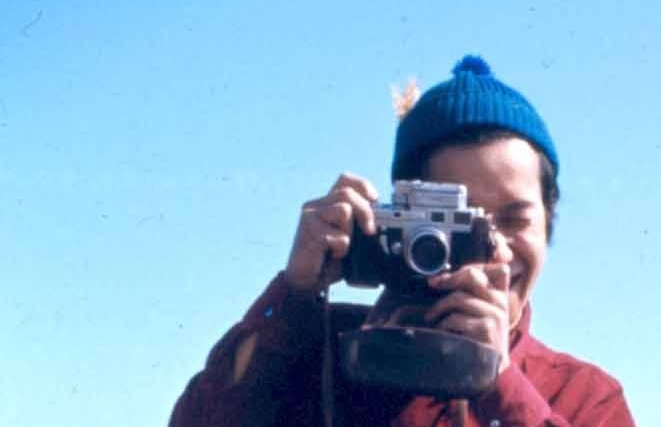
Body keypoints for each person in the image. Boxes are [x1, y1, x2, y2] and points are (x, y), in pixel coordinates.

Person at [169, 55, 635, 427]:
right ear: (402, 219)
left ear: (548, 222)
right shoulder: (322, 354)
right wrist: (292, 298)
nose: (495, 249)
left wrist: (499, 385)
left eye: (514, 220)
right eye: (462, 221)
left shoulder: (583, 397)